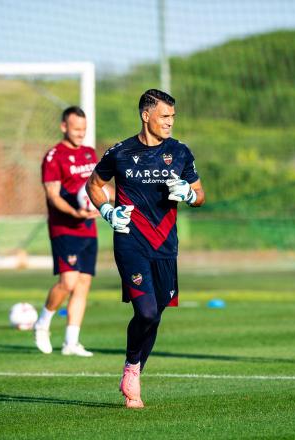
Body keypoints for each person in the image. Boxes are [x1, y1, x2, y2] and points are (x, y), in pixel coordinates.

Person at [86, 89, 205, 408]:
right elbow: (94, 185)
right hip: (130, 242)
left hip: (166, 245)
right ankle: (132, 368)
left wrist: (189, 195)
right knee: (146, 311)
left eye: (173, 117)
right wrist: (108, 212)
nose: (170, 122)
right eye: (164, 116)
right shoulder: (120, 152)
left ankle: (135, 367)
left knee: (156, 315)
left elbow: (199, 193)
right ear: (145, 115)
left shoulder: (180, 152)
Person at [34, 106, 107, 357]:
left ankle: (71, 342)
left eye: (84, 129)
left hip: (88, 227)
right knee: (68, 281)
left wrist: (101, 205)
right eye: (76, 129)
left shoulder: (89, 152)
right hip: (64, 227)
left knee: (83, 284)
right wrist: (75, 213)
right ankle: (42, 323)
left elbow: (97, 185)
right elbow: (52, 195)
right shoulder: (54, 157)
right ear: (64, 127)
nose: (80, 134)